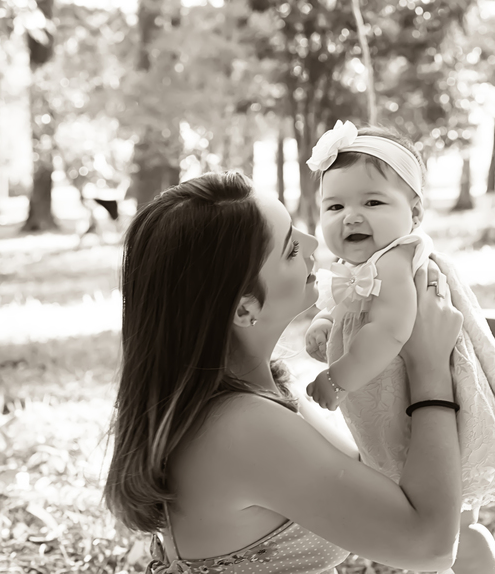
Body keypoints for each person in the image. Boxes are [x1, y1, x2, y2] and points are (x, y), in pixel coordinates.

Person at [105, 171, 466, 574]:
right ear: (245, 309)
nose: (314, 244)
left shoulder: (259, 390)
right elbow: (431, 547)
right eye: (292, 249)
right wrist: (430, 368)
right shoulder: (241, 427)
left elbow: (376, 479)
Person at [303, 121, 495, 574]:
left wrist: (337, 377)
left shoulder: (398, 260)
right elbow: (345, 304)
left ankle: (473, 564)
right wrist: (325, 324)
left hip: (427, 404)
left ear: (415, 213)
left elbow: (390, 331)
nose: (351, 216)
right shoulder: (359, 264)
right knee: (437, 520)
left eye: (373, 202)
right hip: (401, 402)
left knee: (453, 523)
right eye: (334, 205)